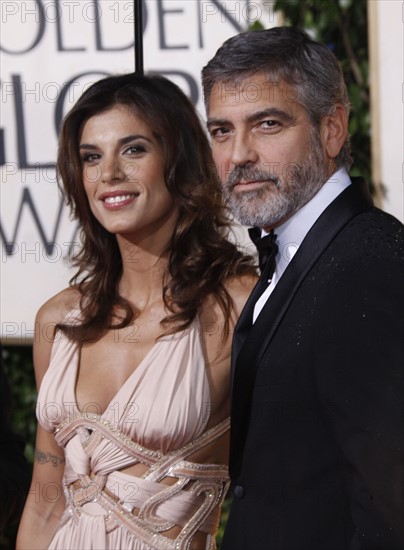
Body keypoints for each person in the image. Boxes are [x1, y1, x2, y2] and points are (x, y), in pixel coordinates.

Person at [16, 73, 256, 549]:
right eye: (91, 157)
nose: (109, 174)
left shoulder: (237, 305)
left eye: (134, 149)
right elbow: (45, 501)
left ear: (179, 161)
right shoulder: (58, 322)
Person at [202, 26, 404, 549]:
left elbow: (390, 507)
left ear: (333, 127)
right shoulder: (292, 251)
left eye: (267, 124)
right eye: (221, 130)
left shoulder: (370, 262)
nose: (239, 154)